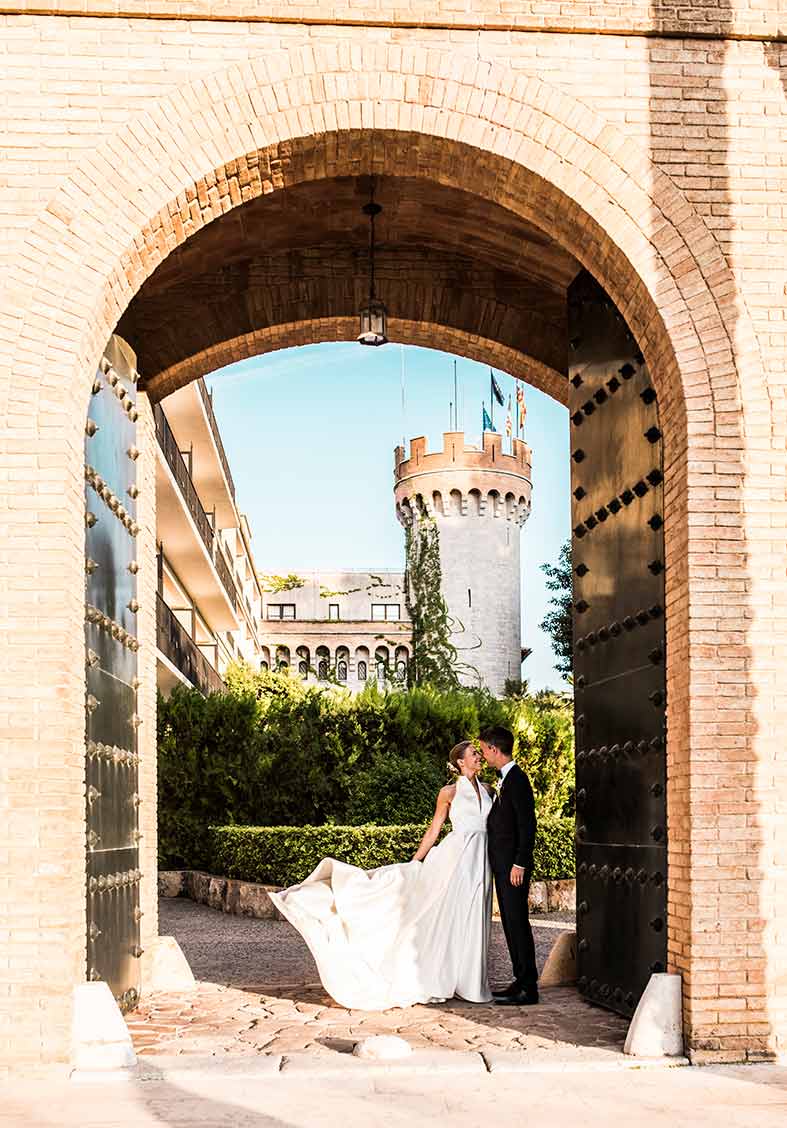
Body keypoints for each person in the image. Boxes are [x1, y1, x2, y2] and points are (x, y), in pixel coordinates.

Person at [268, 741, 494, 1010]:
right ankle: (445, 975)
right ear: (460, 762)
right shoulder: (449, 792)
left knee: (475, 913)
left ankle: (470, 980)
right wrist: (416, 860)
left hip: (483, 857)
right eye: (474, 754)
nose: (479, 757)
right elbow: (435, 829)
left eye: (479, 753)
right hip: (455, 858)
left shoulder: (489, 789)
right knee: (451, 913)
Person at [480, 725, 539, 1006]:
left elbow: (528, 826)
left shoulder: (518, 779)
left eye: (483, 750)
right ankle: (519, 981)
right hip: (503, 866)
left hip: (513, 867)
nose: (483, 755)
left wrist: (520, 863)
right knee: (510, 923)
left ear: (494, 749)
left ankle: (529, 987)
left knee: (518, 923)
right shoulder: (505, 779)